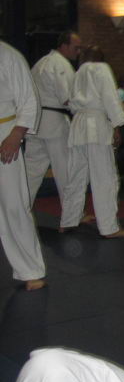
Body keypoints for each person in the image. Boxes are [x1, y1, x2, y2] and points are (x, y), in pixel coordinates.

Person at [59, 45, 124, 239]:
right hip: (96, 126)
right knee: (104, 177)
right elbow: (110, 97)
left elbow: (69, 101)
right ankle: (109, 227)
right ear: (100, 57)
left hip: (78, 125)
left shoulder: (78, 73)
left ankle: (68, 220)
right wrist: (117, 124)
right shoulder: (101, 68)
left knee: (76, 176)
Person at [0, 41, 47, 291]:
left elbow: (29, 99)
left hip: (4, 132)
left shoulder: (8, 56)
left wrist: (16, 135)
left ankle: (30, 269)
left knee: (13, 204)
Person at [24, 31, 80, 203]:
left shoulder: (40, 63)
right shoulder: (60, 64)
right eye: (76, 48)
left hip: (35, 123)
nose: (78, 52)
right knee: (65, 169)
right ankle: (72, 213)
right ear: (64, 46)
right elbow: (67, 98)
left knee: (31, 172)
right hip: (54, 125)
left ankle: (19, 210)